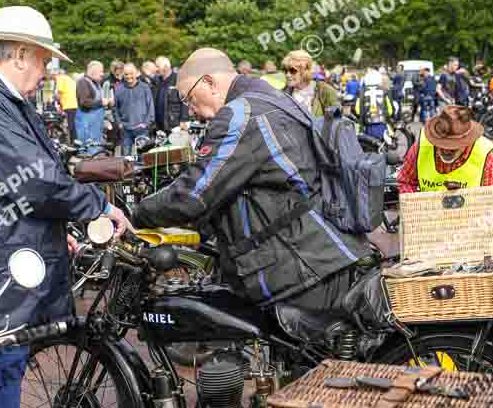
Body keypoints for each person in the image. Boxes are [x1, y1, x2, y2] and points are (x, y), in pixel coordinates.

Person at [0, 6, 131, 408]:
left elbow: (10, 189)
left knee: (0, 379)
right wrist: (99, 206)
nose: (46, 70)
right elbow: (34, 181)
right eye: (44, 59)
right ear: (20, 54)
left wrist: (56, 230)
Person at [132, 47, 371, 313]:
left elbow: (194, 195)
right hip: (327, 250)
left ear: (209, 82)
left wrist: (139, 212)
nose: (191, 111)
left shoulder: (239, 115)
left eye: (190, 99)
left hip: (302, 266)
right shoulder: (273, 98)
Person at [398, 105, 493, 193]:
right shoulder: (420, 148)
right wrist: (416, 205)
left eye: (452, 147)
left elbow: (491, 198)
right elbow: (405, 181)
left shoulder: (485, 154)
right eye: (442, 145)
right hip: (429, 213)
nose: (446, 150)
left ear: (467, 141)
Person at [282, 50, 338, 117]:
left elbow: (336, 121)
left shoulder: (325, 91)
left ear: (306, 71)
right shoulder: (283, 94)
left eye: (293, 71)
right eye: (285, 70)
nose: (287, 75)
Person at [114, 63, 154, 155]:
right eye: (126, 74)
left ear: (136, 73)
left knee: (143, 158)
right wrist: (119, 123)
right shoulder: (119, 89)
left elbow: (150, 107)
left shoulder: (145, 87)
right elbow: (114, 108)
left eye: (131, 73)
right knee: (126, 159)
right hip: (125, 130)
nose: (129, 76)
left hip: (141, 129)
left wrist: (146, 123)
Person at [76, 60, 111, 155]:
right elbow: (84, 102)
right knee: (88, 152)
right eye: (101, 71)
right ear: (93, 71)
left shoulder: (96, 83)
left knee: (97, 150)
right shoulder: (83, 82)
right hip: (87, 126)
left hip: (96, 127)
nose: (102, 74)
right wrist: (101, 102)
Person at [355, 69, 393, 140]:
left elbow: (358, 111)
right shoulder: (384, 91)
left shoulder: (361, 92)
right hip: (382, 125)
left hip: (368, 126)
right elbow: (390, 111)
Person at [153, 56, 188, 134]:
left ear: (165, 67)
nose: (156, 69)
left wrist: (183, 120)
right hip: (159, 125)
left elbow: (185, 101)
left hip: (174, 124)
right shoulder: (157, 81)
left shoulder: (178, 79)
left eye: (158, 66)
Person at [51, 67, 78, 141]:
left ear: (54, 74)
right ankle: (74, 141)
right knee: (73, 125)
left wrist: (54, 100)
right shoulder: (68, 78)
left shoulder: (60, 78)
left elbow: (58, 94)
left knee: (69, 126)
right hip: (74, 104)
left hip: (68, 104)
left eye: (52, 76)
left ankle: (72, 142)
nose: (52, 79)